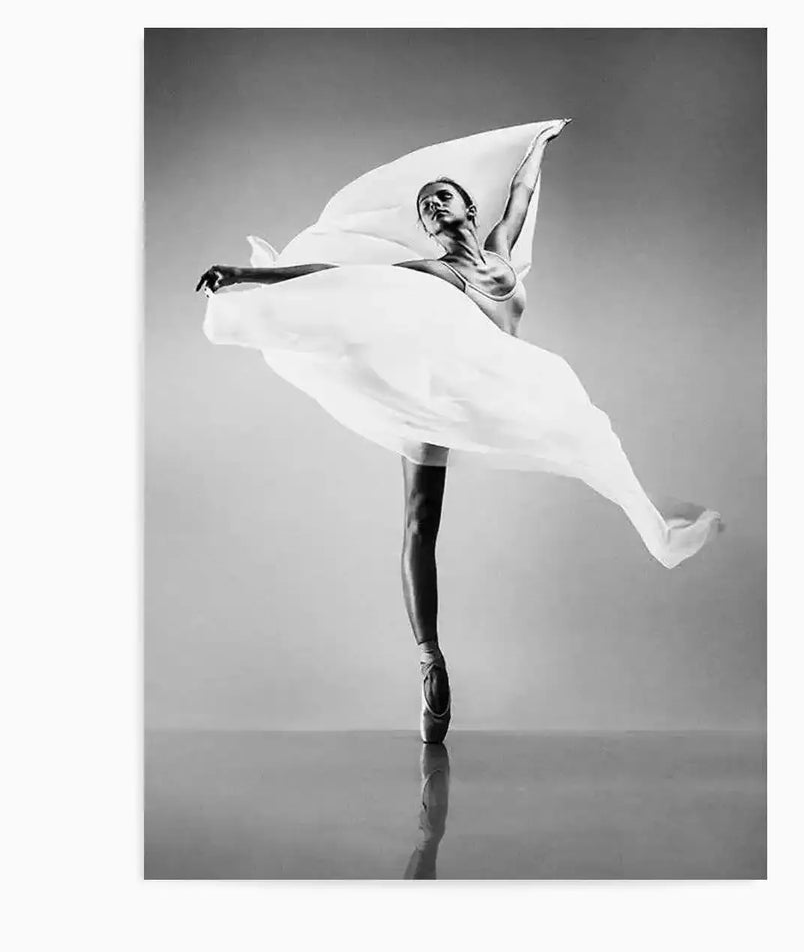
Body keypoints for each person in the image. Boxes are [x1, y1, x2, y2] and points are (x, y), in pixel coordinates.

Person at [197, 120, 721, 745]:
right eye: (424, 206)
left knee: (592, 438)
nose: (433, 207)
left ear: (469, 207)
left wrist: (537, 142)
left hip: (504, 388)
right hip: (437, 396)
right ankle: (430, 663)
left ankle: (661, 526)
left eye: (442, 197)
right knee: (421, 520)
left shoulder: (499, 251)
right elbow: (328, 274)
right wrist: (247, 277)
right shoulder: (429, 268)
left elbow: (521, 194)